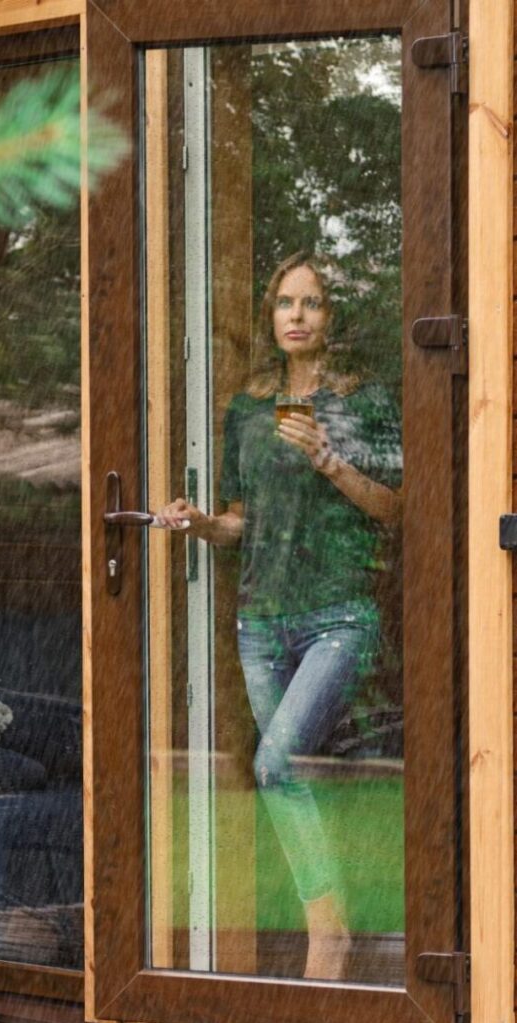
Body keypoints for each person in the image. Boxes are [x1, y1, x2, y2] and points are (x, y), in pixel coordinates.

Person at [156, 251, 401, 981]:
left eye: (313, 303)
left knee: (275, 762)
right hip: (260, 620)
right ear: (272, 316)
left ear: (333, 318)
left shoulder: (363, 401)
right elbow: (242, 521)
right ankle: (337, 913)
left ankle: (327, 931)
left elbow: (396, 508)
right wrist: (200, 524)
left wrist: (330, 458)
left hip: (340, 614)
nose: (297, 316)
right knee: (289, 773)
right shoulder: (249, 408)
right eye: (286, 303)